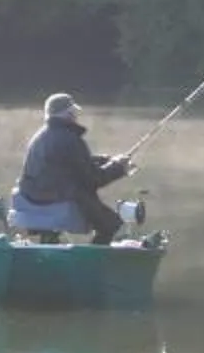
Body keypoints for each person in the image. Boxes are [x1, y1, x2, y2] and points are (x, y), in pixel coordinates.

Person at [13, 92, 134, 243]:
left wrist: (106, 160)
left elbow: (66, 162)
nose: (76, 116)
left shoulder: (42, 136)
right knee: (111, 225)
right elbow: (94, 179)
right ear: (68, 113)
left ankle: (50, 242)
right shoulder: (71, 139)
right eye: (74, 112)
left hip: (35, 195)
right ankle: (95, 259)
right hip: (59, 196)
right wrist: (118, 167)